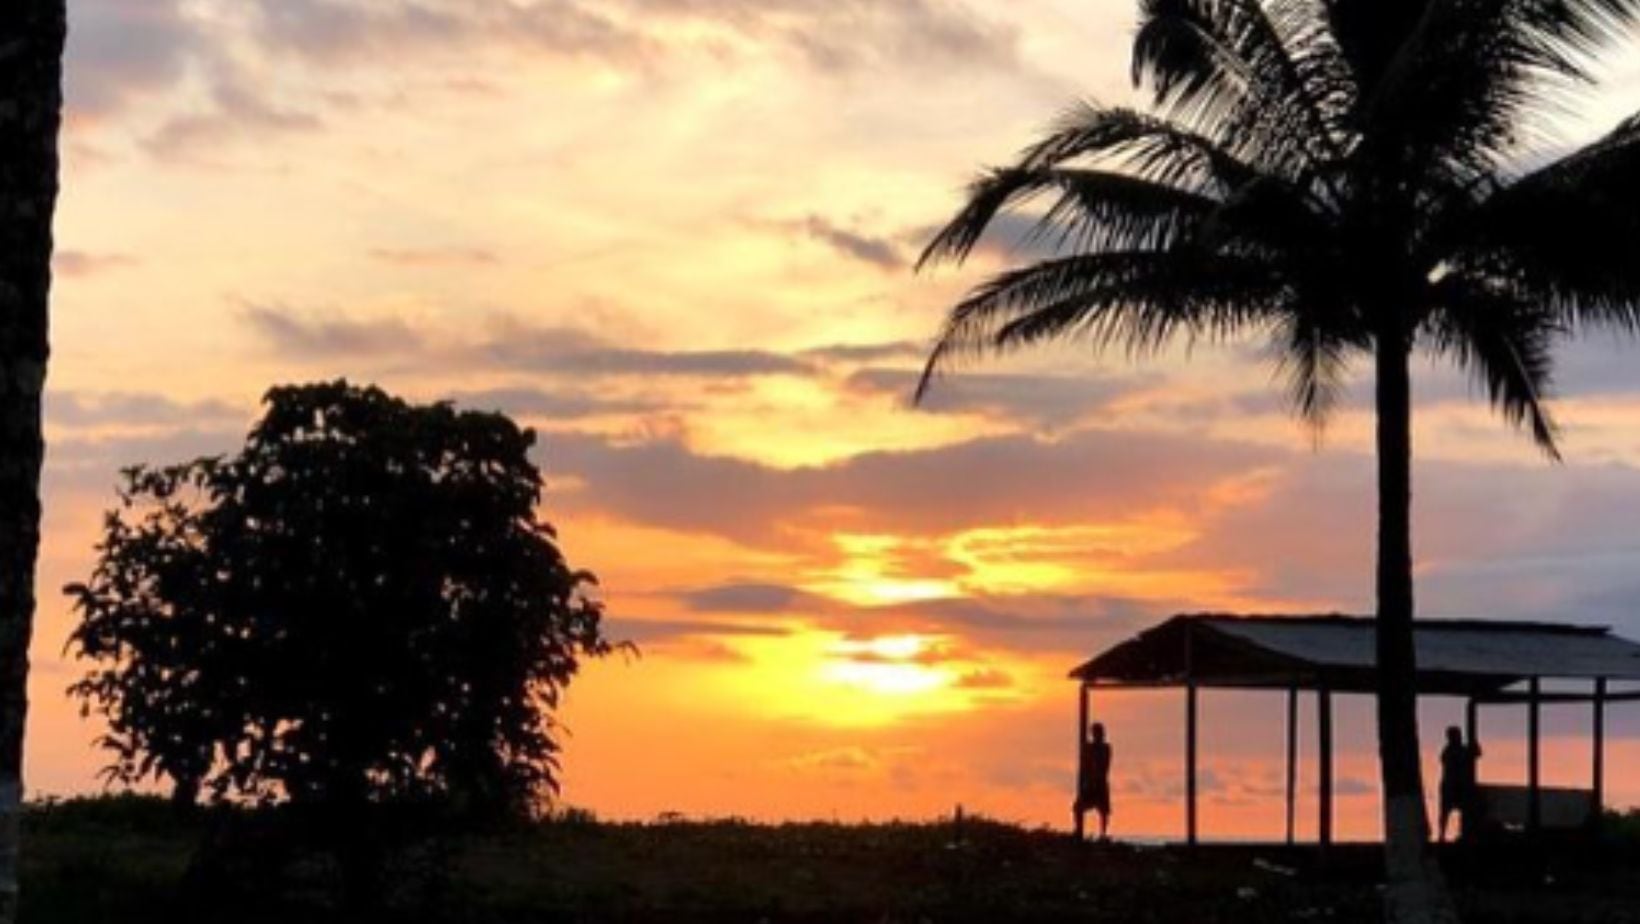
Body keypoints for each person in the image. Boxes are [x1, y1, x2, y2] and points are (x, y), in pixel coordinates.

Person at [1438, 725, 1482, 843]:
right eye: (1455, 735)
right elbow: (1474, 754)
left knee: (1462, 812)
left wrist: (1474, 745)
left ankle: (1458, 833)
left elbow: (1477, 754)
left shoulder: (1456, 750)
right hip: (1452, 786)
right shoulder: (1450, 751)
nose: (1458, 737)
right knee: (1446, 812)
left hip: (1457, 786)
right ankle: (1442, 835)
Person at [1073, 722, 1113, 842]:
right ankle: (1077, 831)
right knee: (1078, 807)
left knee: (1104, 811)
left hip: (1100, 783)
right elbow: (1085, 764)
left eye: (1100, 733)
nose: (1098, 735)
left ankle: (1103, 834)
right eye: (1096, 733)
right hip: (1089, 784)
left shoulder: (1105, 748)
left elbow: (1104, 765)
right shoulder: (1088, 748)